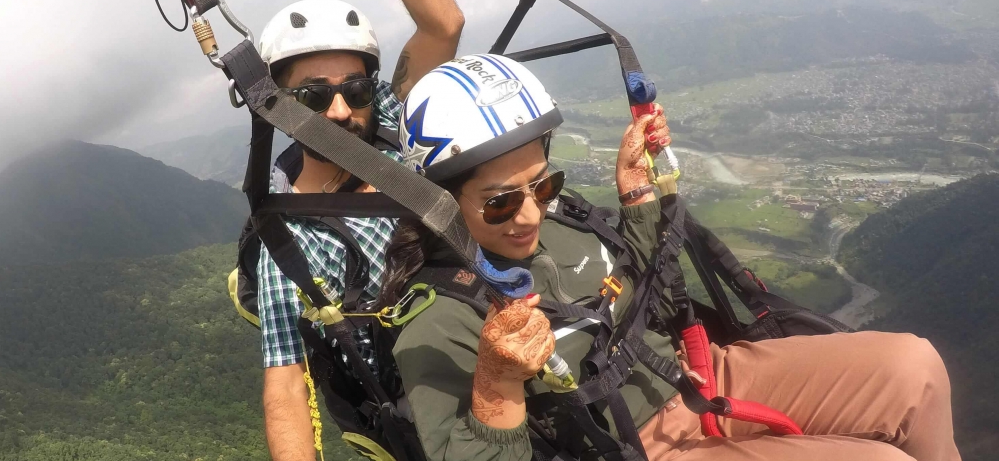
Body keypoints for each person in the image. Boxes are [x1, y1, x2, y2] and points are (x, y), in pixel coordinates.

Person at [381, 55, 960, 461]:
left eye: (543, 184)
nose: (531, 214)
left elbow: (643, 284)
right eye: (500, 203)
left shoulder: (558, 224)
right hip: (632, 444)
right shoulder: (436, 321)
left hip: (697, 377)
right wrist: (497, 381)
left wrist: (635, 194)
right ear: (441, 204)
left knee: (915, 368)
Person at [252, 0, 465, 459]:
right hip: (432, 414)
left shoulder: (387, 119)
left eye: (355, 87)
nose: (341, 110)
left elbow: (444, 25)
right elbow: (286, 383)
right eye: (312, 97)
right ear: (280, 108)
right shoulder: (290, 235)